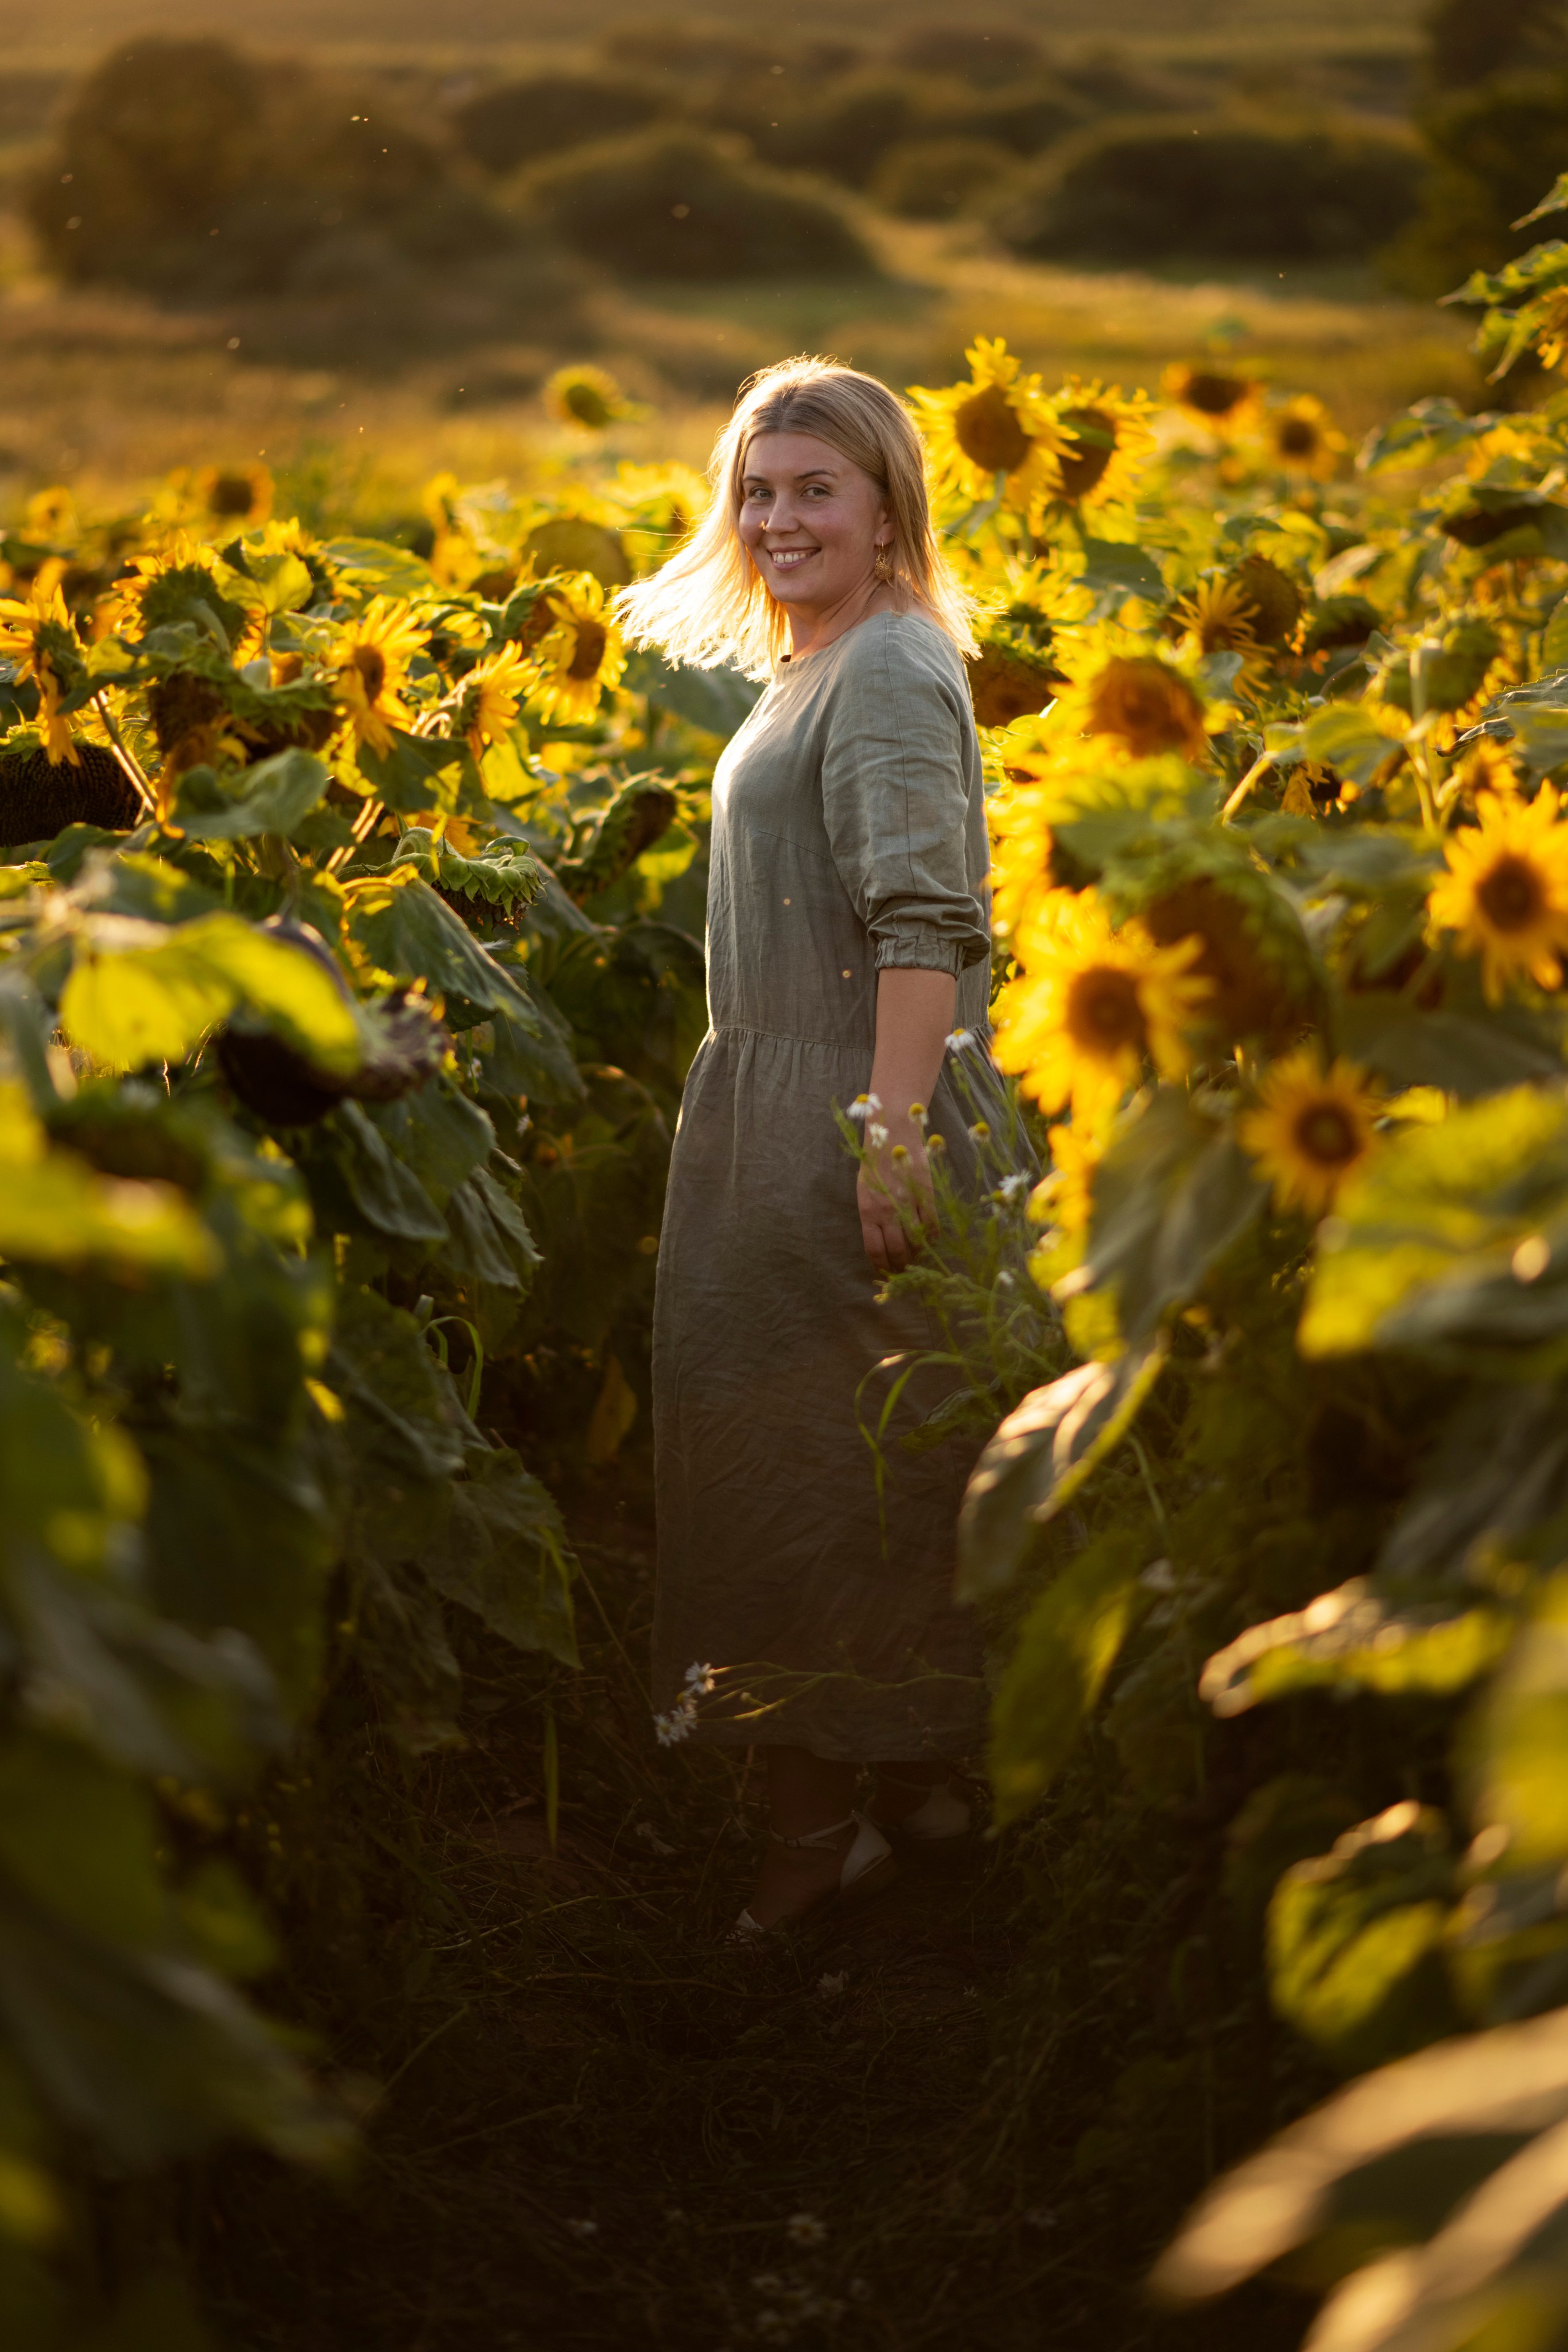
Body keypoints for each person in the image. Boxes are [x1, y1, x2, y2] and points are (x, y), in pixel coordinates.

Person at [616, 356, 1027, 1935]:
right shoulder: (829, 659)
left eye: (815, 489)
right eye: (757, 490)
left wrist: (888, 1137)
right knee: (851, 1470)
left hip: (846, 1114)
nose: (777, 519)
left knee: (806, 1482)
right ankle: (911, 1795)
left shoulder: (891, 666)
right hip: (794, 1110)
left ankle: (816, 1840)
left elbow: (927, 924)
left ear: (888, 508)